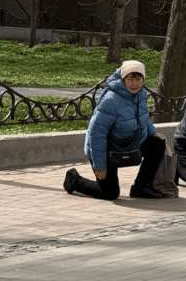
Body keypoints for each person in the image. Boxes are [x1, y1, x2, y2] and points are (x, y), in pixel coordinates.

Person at [64, 60, 166, 200]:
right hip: (106, 148)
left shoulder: (141, 95)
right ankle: (74, 180)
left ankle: (141, 187)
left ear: (143, 80)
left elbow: (141, 117)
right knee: (109, 193)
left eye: (138, 79)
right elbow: (96, 133)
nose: (134, 84)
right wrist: (100, 166)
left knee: (157, 143)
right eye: (130, 79)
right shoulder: (111, 100)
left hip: (128, 142)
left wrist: (153, 132)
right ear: (123, 79)